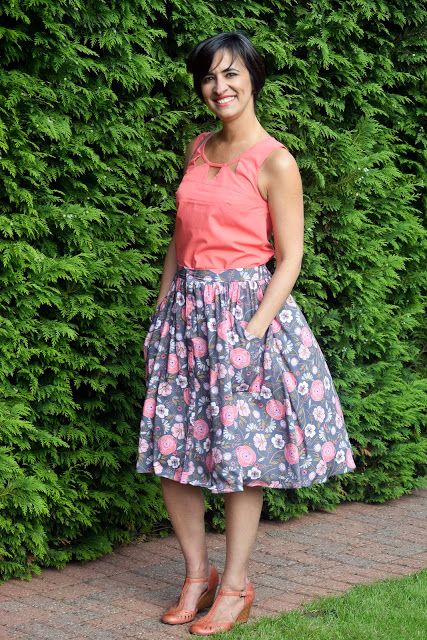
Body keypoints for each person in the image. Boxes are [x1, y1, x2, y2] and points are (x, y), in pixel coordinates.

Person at [136, 31, 357, 635]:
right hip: (186, 316)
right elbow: (179, 241)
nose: (220, 87)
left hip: (244, 314)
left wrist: (254, 333)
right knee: (172, 451)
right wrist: (161, 312)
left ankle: (235, 586)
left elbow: (289, 257)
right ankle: (195, 574)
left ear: (253, 78)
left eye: (231, 74)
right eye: (209, 77)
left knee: (241, 452)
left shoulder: (275, 161)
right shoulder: (197, 147)